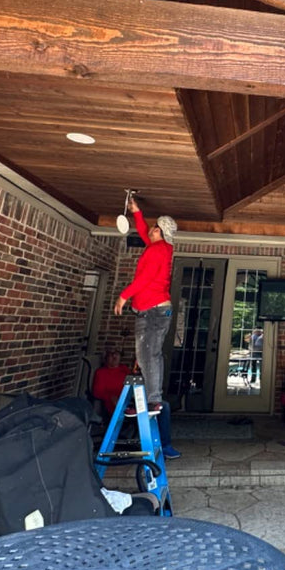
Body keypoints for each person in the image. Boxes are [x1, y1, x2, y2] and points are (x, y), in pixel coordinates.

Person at [112, 196, 181, 459]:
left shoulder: (157, 250)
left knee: (148, 354)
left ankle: (153, 401)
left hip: (152, 310)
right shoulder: (160, 248)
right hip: (152, 310)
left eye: (153, 227)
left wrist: (123, 295)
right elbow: (143, 233)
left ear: (160, 232)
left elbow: (145, 278)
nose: (149, 229)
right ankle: (152, 399)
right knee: (147, 354)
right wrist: (137, 213)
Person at [91, 350, 131, 416]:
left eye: (117, 353)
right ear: (106, 358)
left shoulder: (124, 369)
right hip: (112, 404)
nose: (114, 356)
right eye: (111, 354)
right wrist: (110, 397)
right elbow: (97, 392)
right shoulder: (101, 372)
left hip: (127, 401)